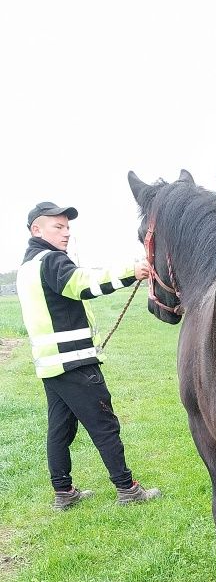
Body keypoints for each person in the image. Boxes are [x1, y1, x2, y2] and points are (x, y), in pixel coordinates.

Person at [16, 201, 161, 510]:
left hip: (51, 366)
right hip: (76, 363)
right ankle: (128, 489)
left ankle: (64, 493)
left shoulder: (26, 267)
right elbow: (83, 284)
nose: (67, 233)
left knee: (60, 430)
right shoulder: (52, 261)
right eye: (58, 226)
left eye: (68, 227)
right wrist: (131, 272)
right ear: (36, 230)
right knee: (104, 425)